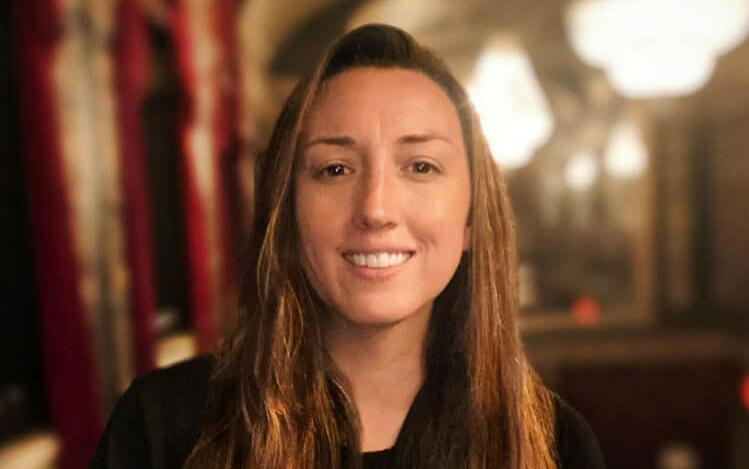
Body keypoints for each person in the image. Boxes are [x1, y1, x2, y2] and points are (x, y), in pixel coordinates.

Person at [91, 24, 606, 468]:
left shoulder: (558, 445)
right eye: (334, 169)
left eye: (420, 167)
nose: (375, 208)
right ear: (287, 210)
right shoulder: (161, 428)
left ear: (471, 219)